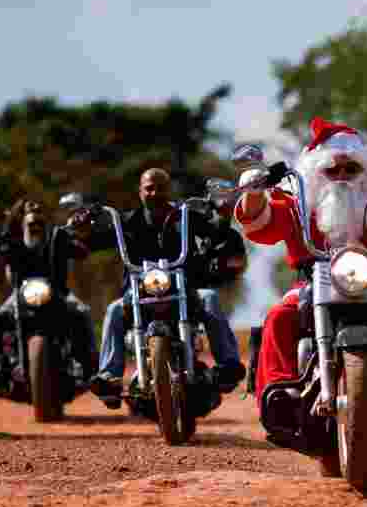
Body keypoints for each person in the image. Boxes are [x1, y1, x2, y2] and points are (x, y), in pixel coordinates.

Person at [234, 116, 367, 435]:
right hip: (311, 281)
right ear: (316, 174)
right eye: (331, 170)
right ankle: (281, 393)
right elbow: (261, 226)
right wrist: (253, 193)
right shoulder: (297, 202)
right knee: (280, 316)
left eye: (351, 169)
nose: (341, 176)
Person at [85, 168, 246, 405]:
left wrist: (222, 215)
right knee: (115, 310)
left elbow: (218, 231)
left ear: (168, 190)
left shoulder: (184, 215)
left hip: (185, 290)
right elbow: (94, 241)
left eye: (160, 188)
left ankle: (228, 366)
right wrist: (83, 225)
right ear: (140, 192)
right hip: (139, 291)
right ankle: (109, 376)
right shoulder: (127, 221)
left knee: (209, 297)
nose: (154, 193)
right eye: (149, 188)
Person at [0, 198, 98, 392]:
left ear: (46, 220)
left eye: (39, 221)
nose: (35, 226)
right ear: (23, 221)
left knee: (82, 312)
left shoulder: (57, 237)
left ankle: (90, 364)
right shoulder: (13, 241)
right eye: (31, 222)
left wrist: (77, 246)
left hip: (58, 292)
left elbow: (79, 250)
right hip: (21, 294)